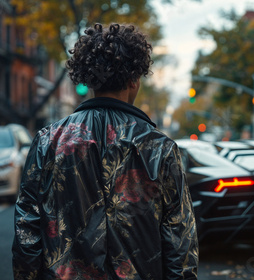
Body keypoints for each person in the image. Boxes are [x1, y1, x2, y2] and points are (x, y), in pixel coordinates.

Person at [12, 23, 198, 279]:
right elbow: (180, 239)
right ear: (134, 79)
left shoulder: (48, 142)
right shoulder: (160, 148)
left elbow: (27, 230)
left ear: (89, 79)